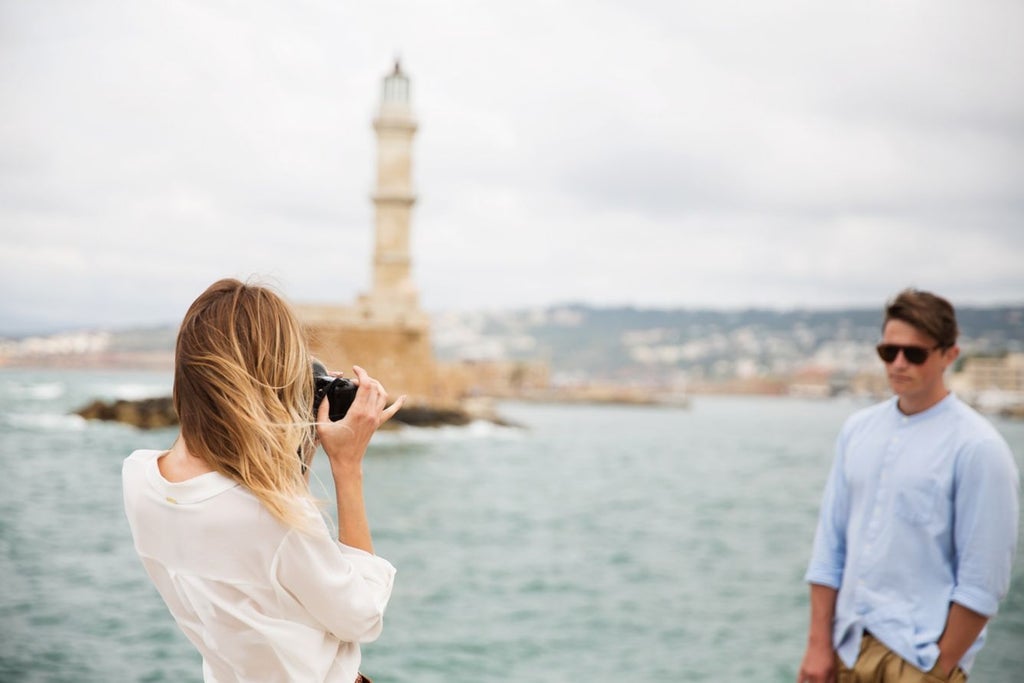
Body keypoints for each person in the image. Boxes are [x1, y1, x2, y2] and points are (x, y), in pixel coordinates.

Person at [122, 278, 404, 683]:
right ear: (267, 378)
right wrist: (346, 464)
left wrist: (299, 435)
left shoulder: (139, 477)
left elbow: (265, 562)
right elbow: (362, 616)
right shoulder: (272, 522)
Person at [798, 288, 1019, 683]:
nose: (899, 363)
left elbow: (983, 581)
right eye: (888, 352)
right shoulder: (856, 431)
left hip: (919, 661)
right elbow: (830, 548)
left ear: (949, 355)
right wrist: (818, 645)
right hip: (846, 647)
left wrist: (938, 669)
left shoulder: (979, 448)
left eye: (914, 353)